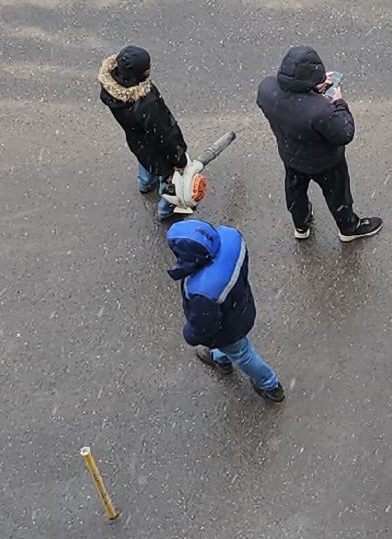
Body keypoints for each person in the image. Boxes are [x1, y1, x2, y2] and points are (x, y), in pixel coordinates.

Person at [255, 46, 384, 243]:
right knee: (338, 196)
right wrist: (338, 102)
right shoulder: (321, 110)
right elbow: (345, 133)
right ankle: (349, 228)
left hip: (291, 156)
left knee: (295, 192)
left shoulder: (266, 90)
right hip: (326, 163)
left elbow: (293, 106)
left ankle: (301, 225)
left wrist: (312, 89)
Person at [166, 217, 285, 403]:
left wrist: (190, 334)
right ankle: (221, 358)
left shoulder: (202, 291)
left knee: (243, 354)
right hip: (242, 307)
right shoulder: (231, 238)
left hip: (228, 329)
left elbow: (204, 326)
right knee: (233, 348)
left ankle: (270, 385)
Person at [97, 45, 188, 222]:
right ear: (139, 75)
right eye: (147, 67)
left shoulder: (111, 89)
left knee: (145, 161)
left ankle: (145, 184)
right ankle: (165, 211)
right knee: (169, 180)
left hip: (137, 141)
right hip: (159, 151)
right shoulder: (147, 101)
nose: (150, 68)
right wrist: (179, 159)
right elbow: (165, 133)